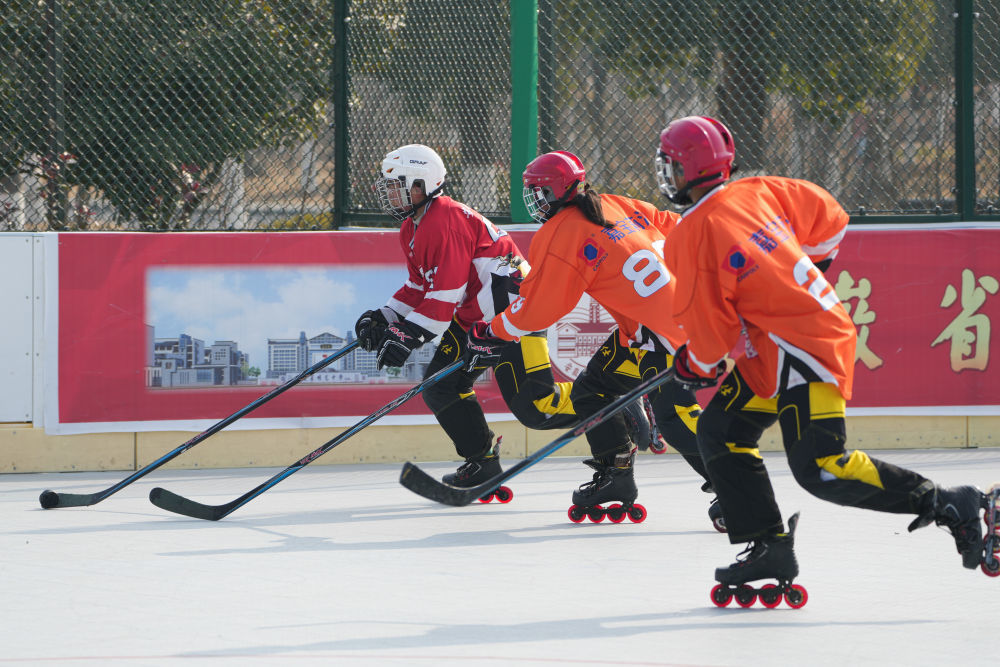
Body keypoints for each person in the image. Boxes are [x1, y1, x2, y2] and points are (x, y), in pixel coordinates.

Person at [655, 115, 990, 597]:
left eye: (669, 164)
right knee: (721, 432)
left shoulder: (691, 233)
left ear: (683, 170)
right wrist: (793, 277)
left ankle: (948, 503)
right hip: (779, 346)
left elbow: (710, 334)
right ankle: (768, 545)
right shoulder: (758, 190)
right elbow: (829, 216)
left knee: (822, 466)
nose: (667, 174)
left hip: (803, 347)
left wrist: (695, 366)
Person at [353, 144, 651, 496]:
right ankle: (483, 462)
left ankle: (611, 399)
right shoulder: (413, 227)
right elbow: (420, 285)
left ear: (422, 184)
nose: (389, 193)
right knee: (441, 386)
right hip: (475, 318)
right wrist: (386, 315)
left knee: (539, 407)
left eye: (396, 184)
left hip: (515, 313)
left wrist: (408, 334)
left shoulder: (444, 220)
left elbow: (444, 296)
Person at [464, 150, 718, 524]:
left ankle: (736, 486)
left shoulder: (561, 232)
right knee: (591, 393)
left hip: (663, 334)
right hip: (660, 325)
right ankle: (616, 475)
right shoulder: (615, 203)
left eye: (537, 192)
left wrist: (491, 331)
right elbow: (675, 226)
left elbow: (539, 309)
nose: (534, 201)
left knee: (675, 418)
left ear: (554, 192)